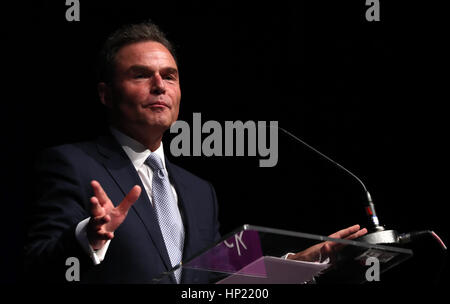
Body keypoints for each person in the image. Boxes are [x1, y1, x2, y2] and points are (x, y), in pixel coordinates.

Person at [24, 21, 366, 284]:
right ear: (106, 94)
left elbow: (218, 282)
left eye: (169, 76)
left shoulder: (200, 192)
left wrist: (300, 263)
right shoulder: (71, 164)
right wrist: (89, 236)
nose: (159, 85)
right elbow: (35, 265)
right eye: (141, 74)